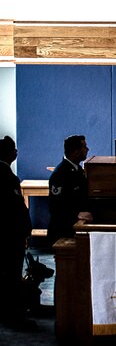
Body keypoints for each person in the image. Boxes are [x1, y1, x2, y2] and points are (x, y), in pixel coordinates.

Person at [0, 135, 33, 328]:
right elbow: (16, 209)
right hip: (10, 236)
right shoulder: (7, 177)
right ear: (9, 153)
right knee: (11, 275)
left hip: (5, 234)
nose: (17, 152)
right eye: (14, 149)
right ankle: (12, 316)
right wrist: (25, 230)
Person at [48, 134, 93, 246]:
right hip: (64, 230)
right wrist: (77, 214)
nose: (88, 149)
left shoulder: (78, 171)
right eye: (84, 147)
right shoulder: (60, 174)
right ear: (76, 152)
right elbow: (56, 207)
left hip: (76, 227)